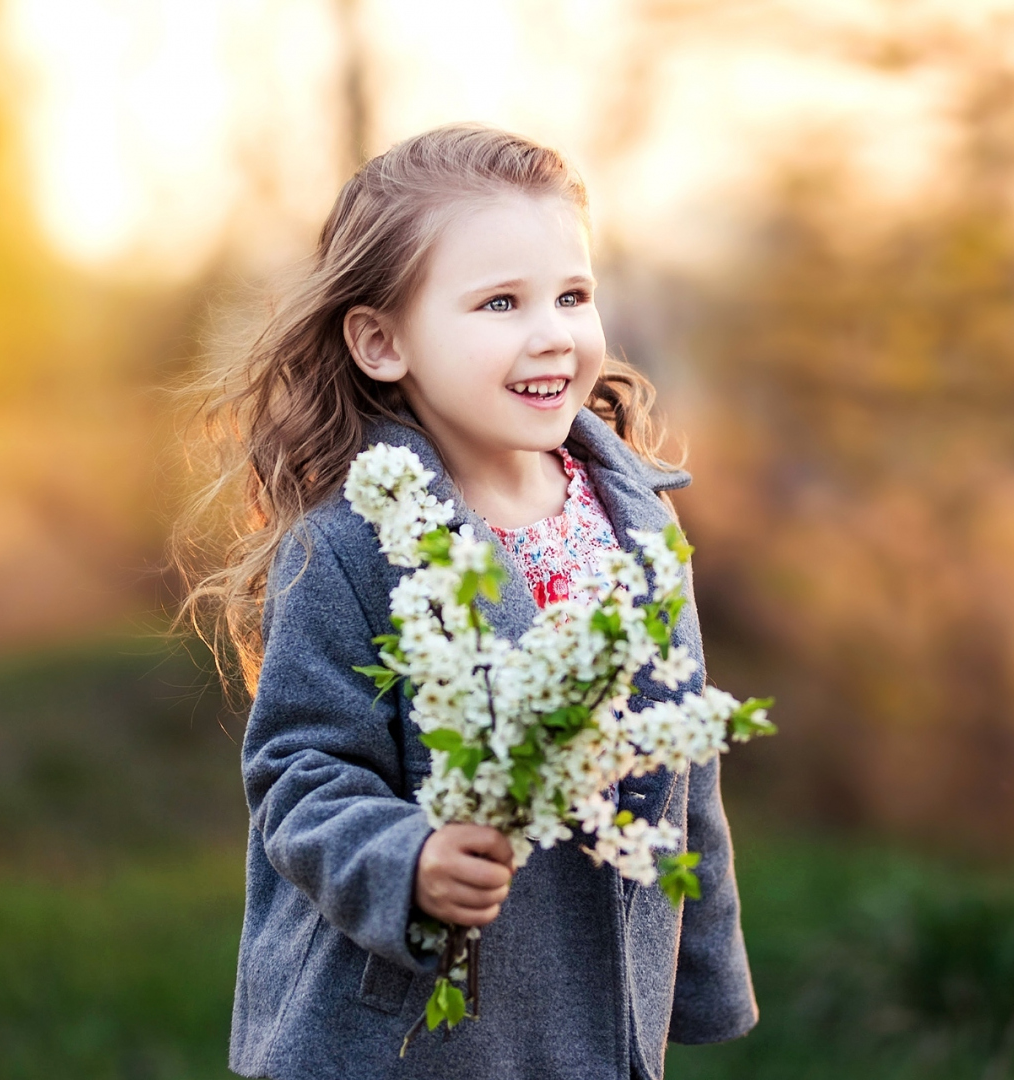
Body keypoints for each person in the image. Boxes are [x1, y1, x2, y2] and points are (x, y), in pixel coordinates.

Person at [177, 123, 757, 1080]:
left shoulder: (641, 524)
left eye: (572, 295)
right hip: (407, 1036)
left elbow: (681, 772)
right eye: (500, 302)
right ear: (381, 340)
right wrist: (409, 861)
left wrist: (697, 978)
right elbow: (299, 771)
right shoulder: (355, 540)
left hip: (593, 1018)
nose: (552, 334)